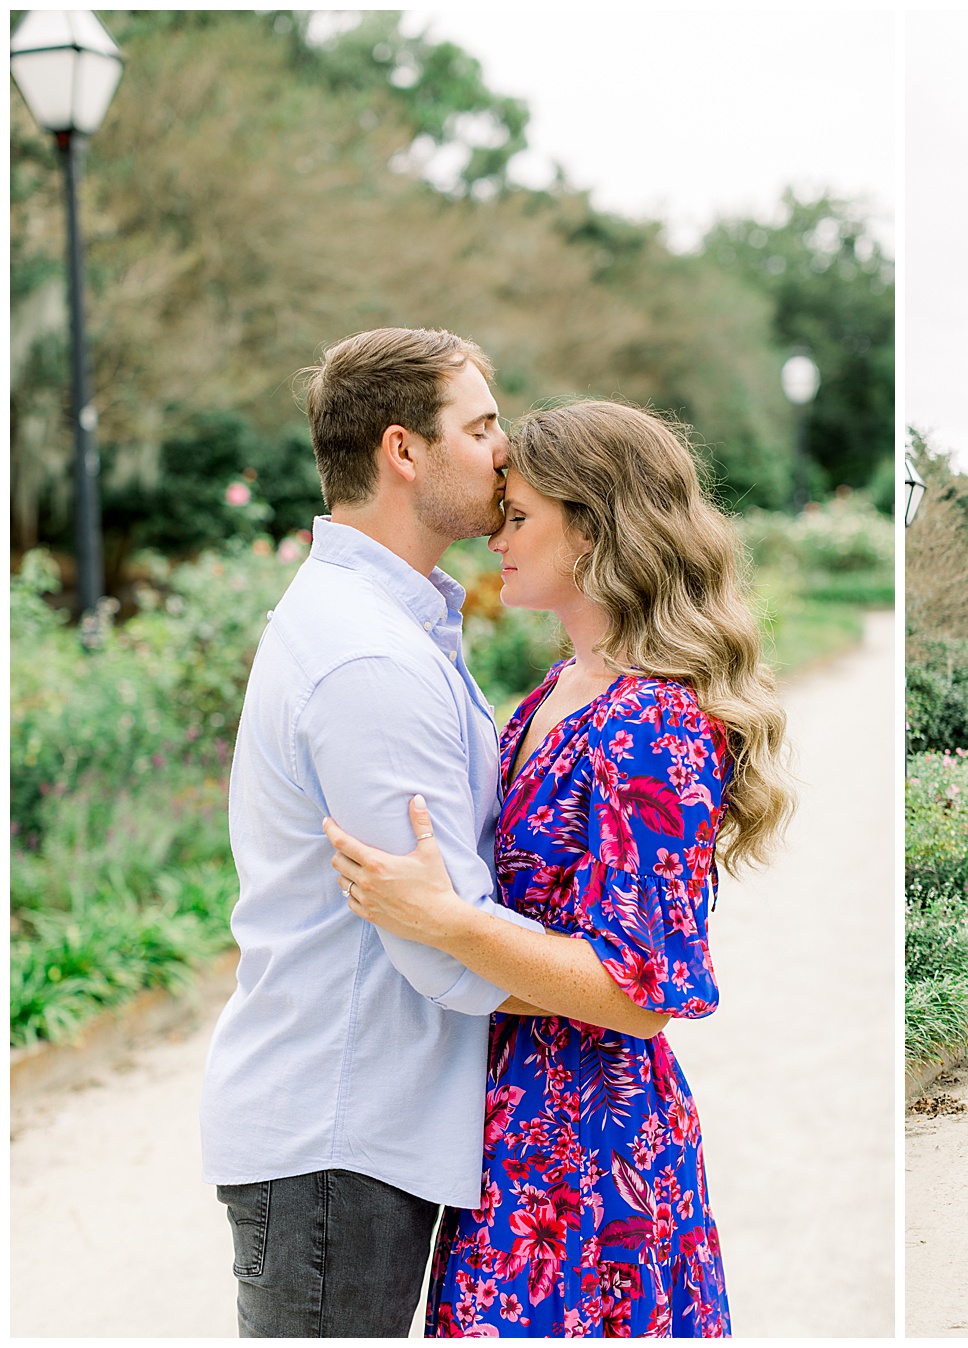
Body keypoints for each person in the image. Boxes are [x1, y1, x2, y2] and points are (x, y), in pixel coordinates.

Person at [321, 398, 793, 1337]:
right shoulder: (567, 686)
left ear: (594, 531)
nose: (497, 532)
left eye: (522, 516)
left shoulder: (654, 724)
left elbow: (637, 990)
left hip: (589, 1163)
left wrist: (446, 921)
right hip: (514, 1132)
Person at [201, 327, 551, 1337]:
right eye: (481, 426)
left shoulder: (385, 624)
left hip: (350, 1137)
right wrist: (617, 992)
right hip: (335, 1140)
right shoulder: (367, 658)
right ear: (405, 451)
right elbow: (439, 946)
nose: (504, 450)